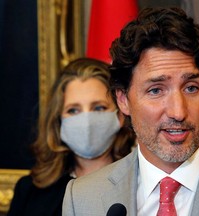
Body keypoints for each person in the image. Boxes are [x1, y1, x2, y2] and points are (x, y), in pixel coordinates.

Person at [62, 7, 199, 216]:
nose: (178, 112)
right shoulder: (83, 198)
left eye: (191, 88)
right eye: (156, 90)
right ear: (123, 101)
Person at [7, 58, 135, 216]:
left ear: (120, 115)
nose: (86, 121)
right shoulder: (30, 191)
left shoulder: (142, 182)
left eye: (99, 107)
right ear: (59, 120)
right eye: (73, 110)